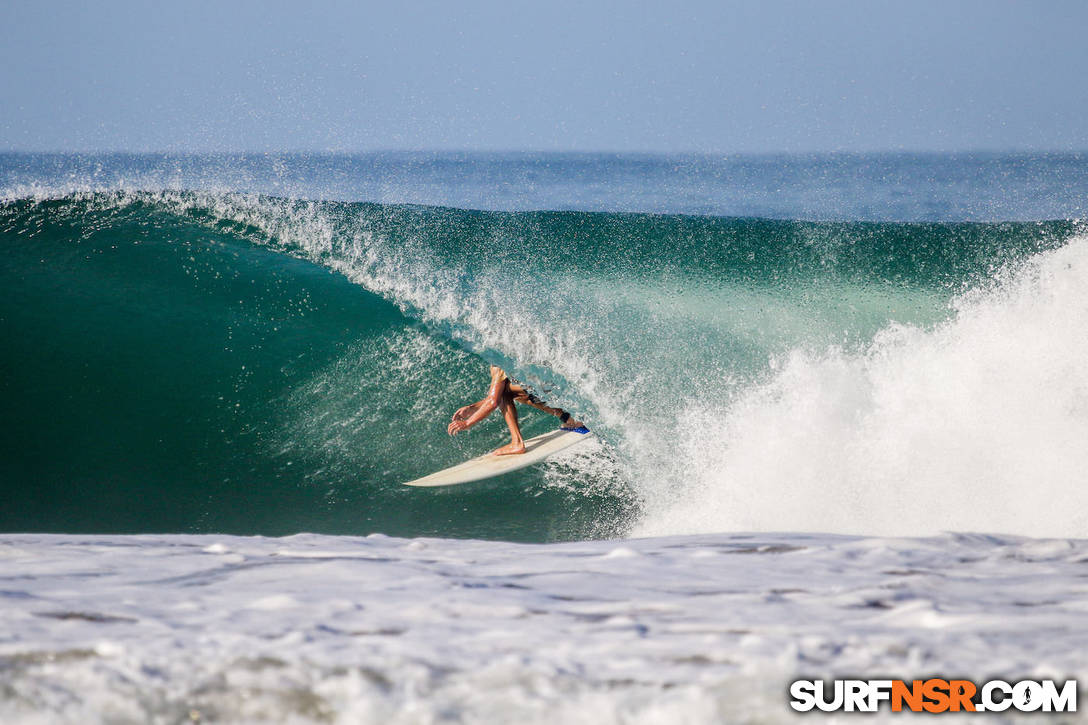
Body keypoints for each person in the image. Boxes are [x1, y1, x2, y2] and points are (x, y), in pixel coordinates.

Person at [447, 365, 589, 455]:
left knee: (506, 393)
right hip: (554, 385)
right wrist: (472, 408)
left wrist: (467, 423)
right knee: (515, 391)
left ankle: (517, 442)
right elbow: (497, 396)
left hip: (543, 389)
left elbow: (493, 401)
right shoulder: (510, 354)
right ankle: (570, 419)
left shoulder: (497, 366)